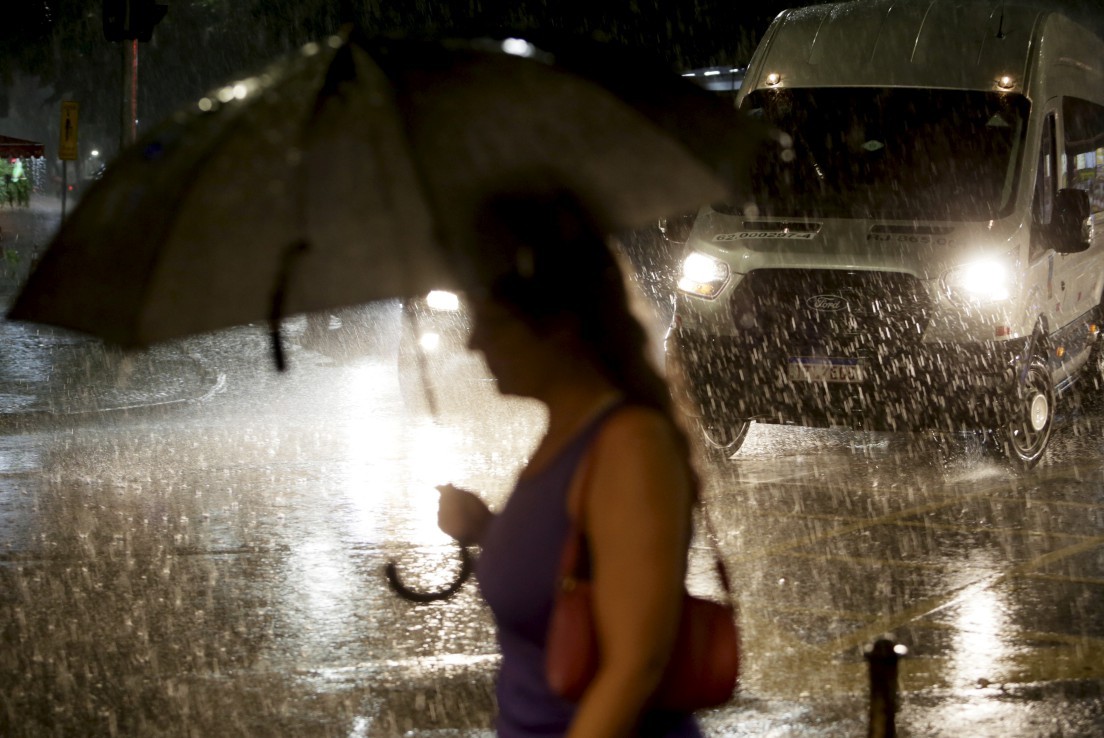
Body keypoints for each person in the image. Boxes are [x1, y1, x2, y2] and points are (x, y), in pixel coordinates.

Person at [437, 188, 704, 737]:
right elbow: (573, 574)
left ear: (559, 322)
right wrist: (486, 530)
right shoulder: (564, 435)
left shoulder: (631, 445)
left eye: (493, 322)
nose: (473, 343)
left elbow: (634, 668)